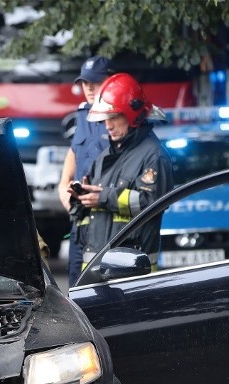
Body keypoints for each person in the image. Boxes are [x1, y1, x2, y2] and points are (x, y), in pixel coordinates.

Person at [75, 72, 173, 269]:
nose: (107, 126)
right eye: (104, 119)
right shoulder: (105, 156)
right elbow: (92, 209)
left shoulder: (153, 156)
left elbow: (151, 203)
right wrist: (80, 198)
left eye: (114, 117)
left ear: (133, 115)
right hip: (95, 266)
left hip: (131, 270)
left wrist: (103, 197)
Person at [58, 56, 114, 286]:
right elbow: (72, 159)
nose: (89, 88)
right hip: (80, 221)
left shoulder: (118, 118)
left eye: (95, 81)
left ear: (111, 81)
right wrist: (65, 192)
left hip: (107, 220)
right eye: (84, 82)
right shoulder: (82, 114)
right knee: (76, 287)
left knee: (102, 289)